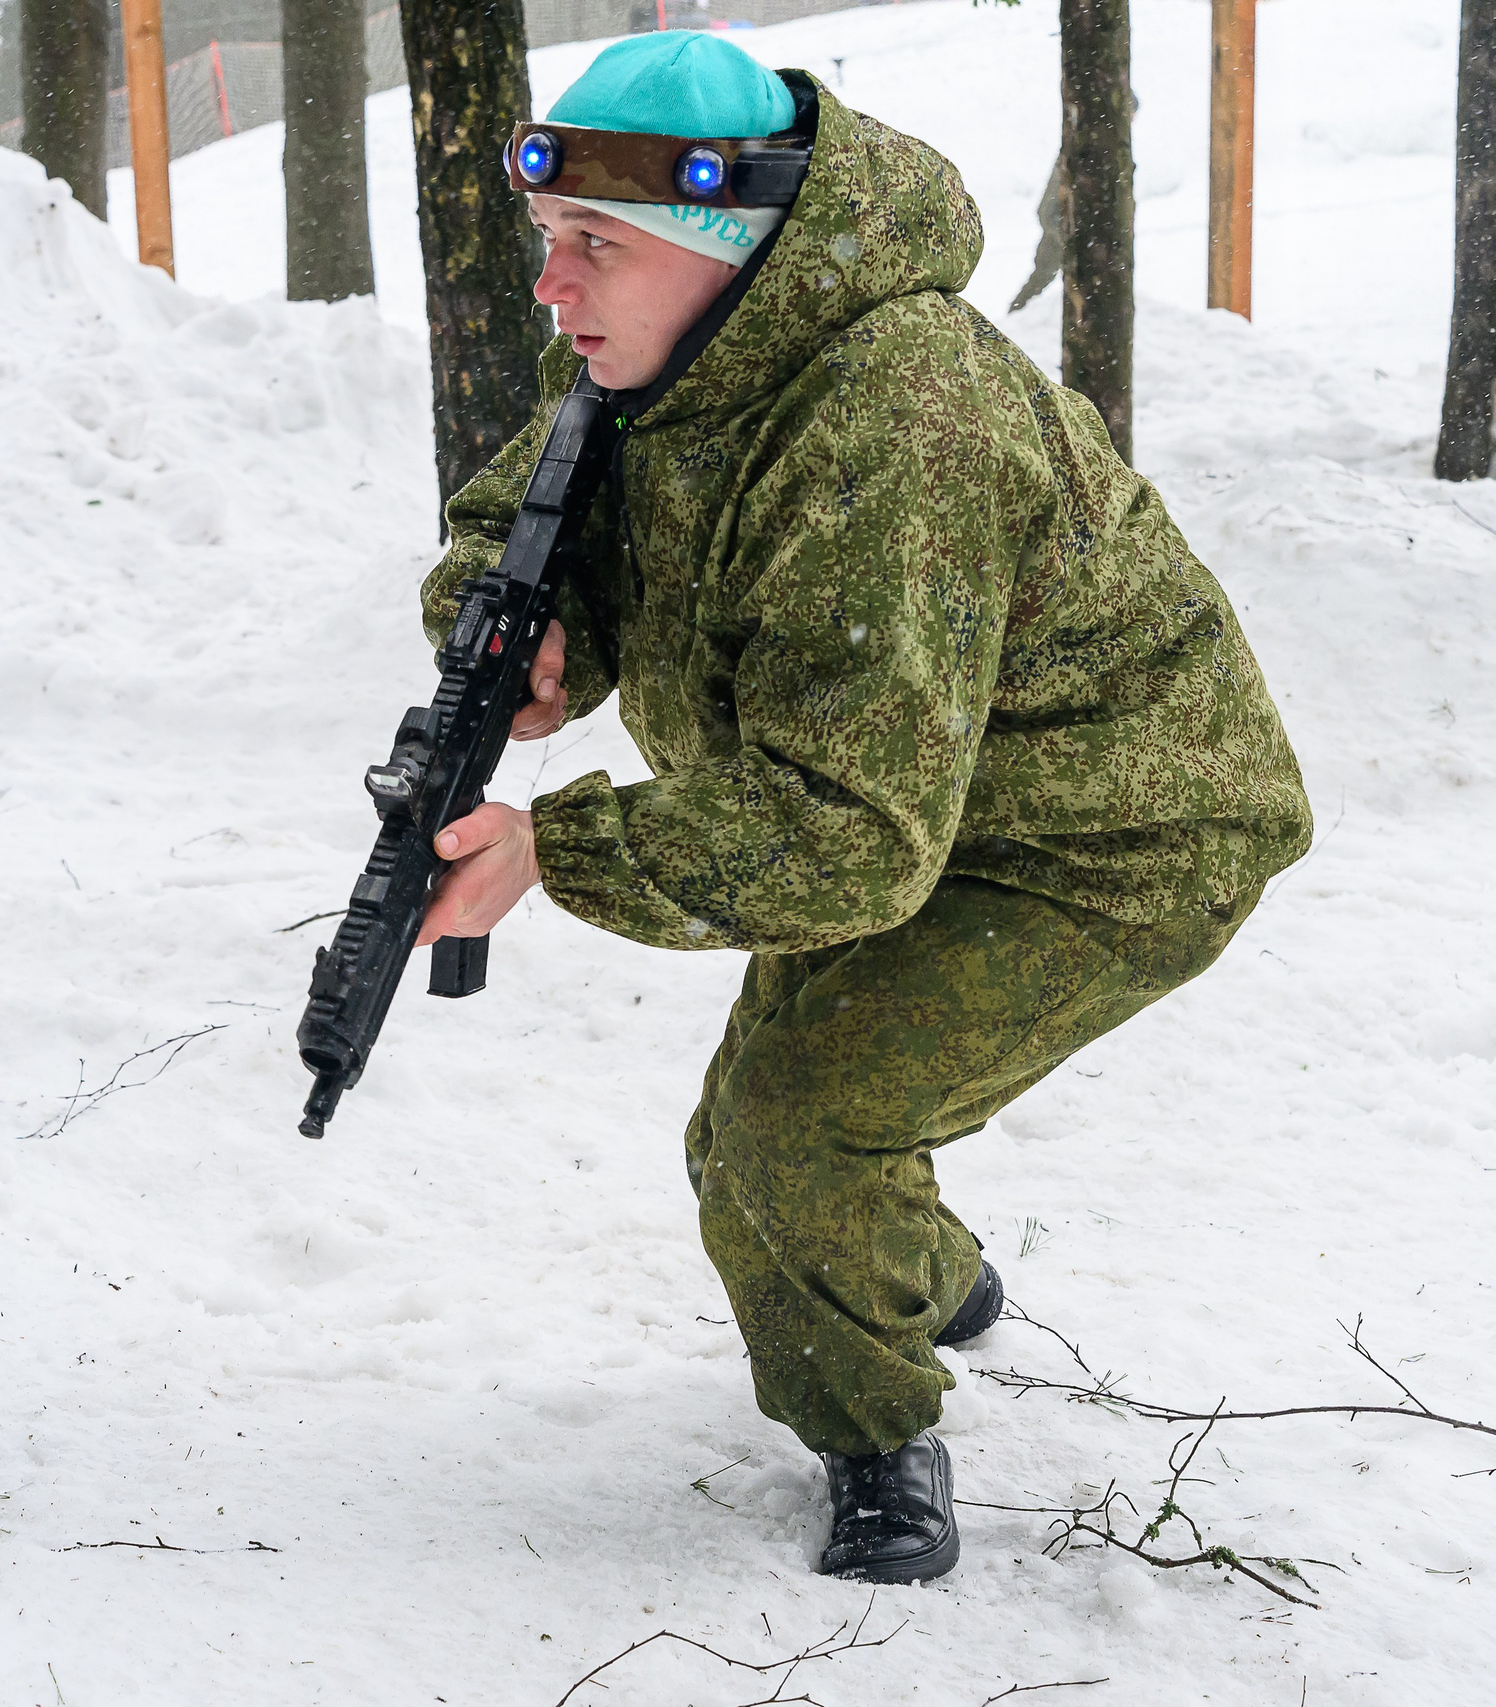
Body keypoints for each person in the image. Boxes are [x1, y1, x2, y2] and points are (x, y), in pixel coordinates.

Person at [409, 32, 1312, 1585]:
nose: (554, 291)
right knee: (743, 1147)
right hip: (910, 799)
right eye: (551, 244)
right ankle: (930, 1282)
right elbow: (545, 505)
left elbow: (843, 834)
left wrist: (559, 851)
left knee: (791, 1139)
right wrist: (531, 631)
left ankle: (879, 1437)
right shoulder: (684, 351)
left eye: (595, 250)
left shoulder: (899, 414)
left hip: (1097, 841)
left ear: (729, 241)